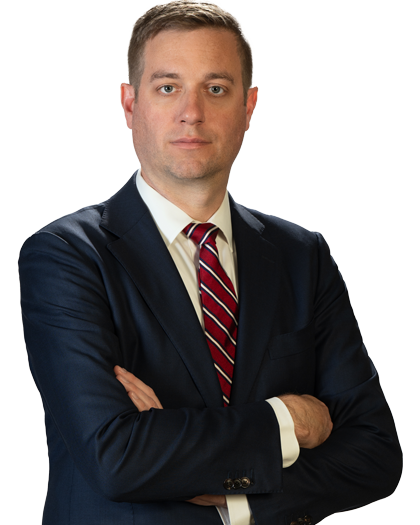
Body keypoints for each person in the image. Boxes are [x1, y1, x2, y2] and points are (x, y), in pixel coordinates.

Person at [18, 1, 402, 524]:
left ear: (249, 107)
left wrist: (223, 486)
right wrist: (287, 419)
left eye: (216, 88)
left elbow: (376, 454)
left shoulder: (302, 257)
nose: (192, 112)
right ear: (130, 105)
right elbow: (118, 458)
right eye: (167, 87)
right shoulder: (66, 257)